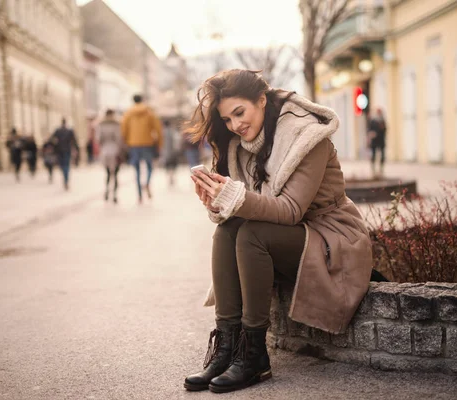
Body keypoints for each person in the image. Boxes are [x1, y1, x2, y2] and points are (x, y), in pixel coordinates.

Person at [184, 70, 373, 393]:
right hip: (296, 237)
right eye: (227, 120)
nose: (234, 125)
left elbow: (289, 210)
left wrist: (235, 198)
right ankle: (228, 347)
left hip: (332, 238)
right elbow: (250, 206)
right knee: (229, 229)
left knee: (252, 234)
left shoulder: (306, 137)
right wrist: (218, 203)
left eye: (239, 113)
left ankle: (255, 355)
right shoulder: (241, 145)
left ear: (261, 99)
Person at [120, 94, 163, 203]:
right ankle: (147, 183)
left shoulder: (128, 113)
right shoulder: (149, 112)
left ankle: (139, 195)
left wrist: (125, 142)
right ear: (142, 100)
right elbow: (158, 129)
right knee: (149, 166)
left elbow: (123, 129)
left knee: (137, 170)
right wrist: (159, 144)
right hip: (148, 143)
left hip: (133, 144)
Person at [96, 109, 123, 203]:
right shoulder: (117, 124)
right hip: (115, 150)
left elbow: (98, 139)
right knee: (115, 174)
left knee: (107, 173)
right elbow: (119, 138)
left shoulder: (101, 125)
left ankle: (107, 190)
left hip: (105, 151)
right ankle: (115, 194)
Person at [51, 118, 79, 190]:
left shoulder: (58, 130)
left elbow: (52, 139)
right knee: (66, 165)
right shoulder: (69, 131)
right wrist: (76, 149)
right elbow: (75, 141)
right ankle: (66, 179)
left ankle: (65, 178)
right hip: (66, 150)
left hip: (60, 151)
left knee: (63, 166)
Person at [367, 108, 387, 178]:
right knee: (374, 155)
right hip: (374, 141)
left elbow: (385, 130)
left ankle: (381, 169)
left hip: (381, 140)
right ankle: (373, 169)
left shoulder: (382, 121)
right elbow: (369, 130)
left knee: (382, 155)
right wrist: (371, 135)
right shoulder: (373, 121)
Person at [162, 119, 180, 186]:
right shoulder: (173, 131)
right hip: (173, 152)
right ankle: (172, 176)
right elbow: (177, 141)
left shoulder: (162, 132)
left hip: (165, 152)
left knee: (167, 166)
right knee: (173, 165)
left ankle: (169, 177)